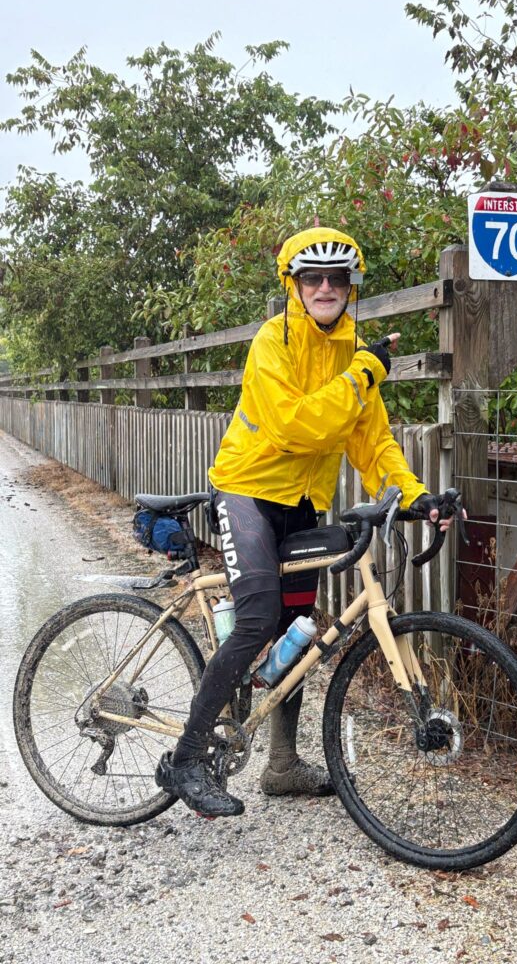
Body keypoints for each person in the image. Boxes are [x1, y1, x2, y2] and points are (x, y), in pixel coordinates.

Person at [156, 226, 460, 817]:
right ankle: (187, 759)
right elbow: (297, 426)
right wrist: (364, 375)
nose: (325, 287)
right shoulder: (274, 342)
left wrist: (417, 495)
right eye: (312, 277)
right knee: (259, 616)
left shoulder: (353, 356)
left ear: (351, 286)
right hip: (245, 489)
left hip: (299, 503)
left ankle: (282, 764)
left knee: (298, 632)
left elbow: (372, 444)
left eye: (337, 277)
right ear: (293, 286)